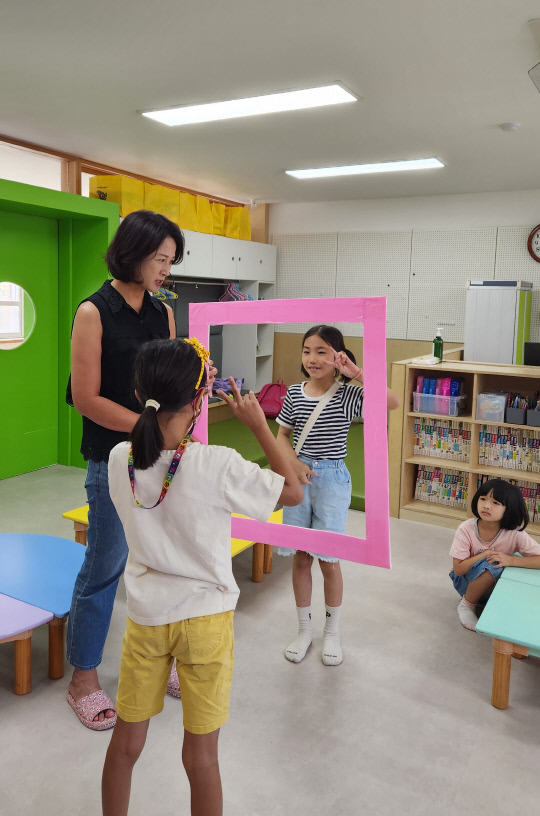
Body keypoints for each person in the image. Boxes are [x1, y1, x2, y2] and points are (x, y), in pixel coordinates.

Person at [101, 337, 303, 816]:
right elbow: (292, 492)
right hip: (205, 622)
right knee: (202, 758)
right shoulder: (216, 465)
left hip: (146, 616)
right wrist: (259, 424)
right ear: (199, 401)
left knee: (126, 745)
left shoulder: (117, 459)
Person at [66, 209, 207, 729]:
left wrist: (197, 380)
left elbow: (167, 385)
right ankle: (83, 677)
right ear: (133, 252)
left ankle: (160, 658)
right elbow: (85, 397)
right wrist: (146, 429)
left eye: (171, 261)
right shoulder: (93, 311)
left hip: (161, 459)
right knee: (104, 567)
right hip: (112, 458)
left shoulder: (162, 313)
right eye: (160, 259)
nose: (166, 269)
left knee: (162, 563)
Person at [275, 325, 400, 666]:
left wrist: (356, 374)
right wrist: (295, 464)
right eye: (306, 350)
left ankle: (332, 632)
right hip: (299, 479)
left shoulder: (347, 394)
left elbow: (392, 402)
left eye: (321, 351)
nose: (312, 358)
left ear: (337, 356)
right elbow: (282, 436)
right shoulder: (295, 393)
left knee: (329, 560)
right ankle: (304, 630)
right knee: (301, 558)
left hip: (332, 480)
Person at [449, 477, 540, 631]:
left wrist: (510, 560)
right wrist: (485, 554)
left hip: (494, 586)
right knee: (493, 563)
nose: (486, 506)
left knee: (516, 576)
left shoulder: (514, 533)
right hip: (465, 581)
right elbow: (458, 569)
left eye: (495, 503)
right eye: (483, 499)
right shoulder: (466, 528)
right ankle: (467, 604)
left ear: (509, 509)